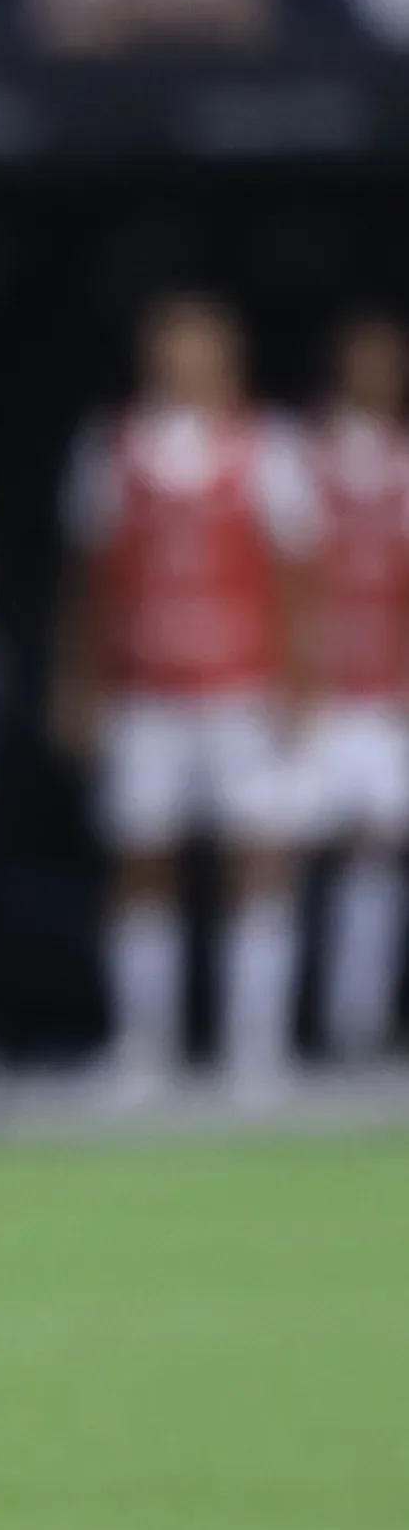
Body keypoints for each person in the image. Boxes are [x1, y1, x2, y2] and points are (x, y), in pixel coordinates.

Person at [57, 292, 317, 1099]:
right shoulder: (115, 448)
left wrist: (301, 678)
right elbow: (89, 581)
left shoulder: (267, 448)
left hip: (241, 687)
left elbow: (300, 575)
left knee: (259, 860)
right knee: (141, 864)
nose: (183, 363)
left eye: (198, 348)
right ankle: (144, 1047)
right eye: (169, 348)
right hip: (146, 692)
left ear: (227, 357)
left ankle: (255, 1048)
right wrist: (78, 681)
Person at [298, 310, 409, 1062]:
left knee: (378, 856)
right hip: (303, 690)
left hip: (389, 689)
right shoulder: (296, 458)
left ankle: (356, 1025)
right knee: (273, 857)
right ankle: (265, 1039)